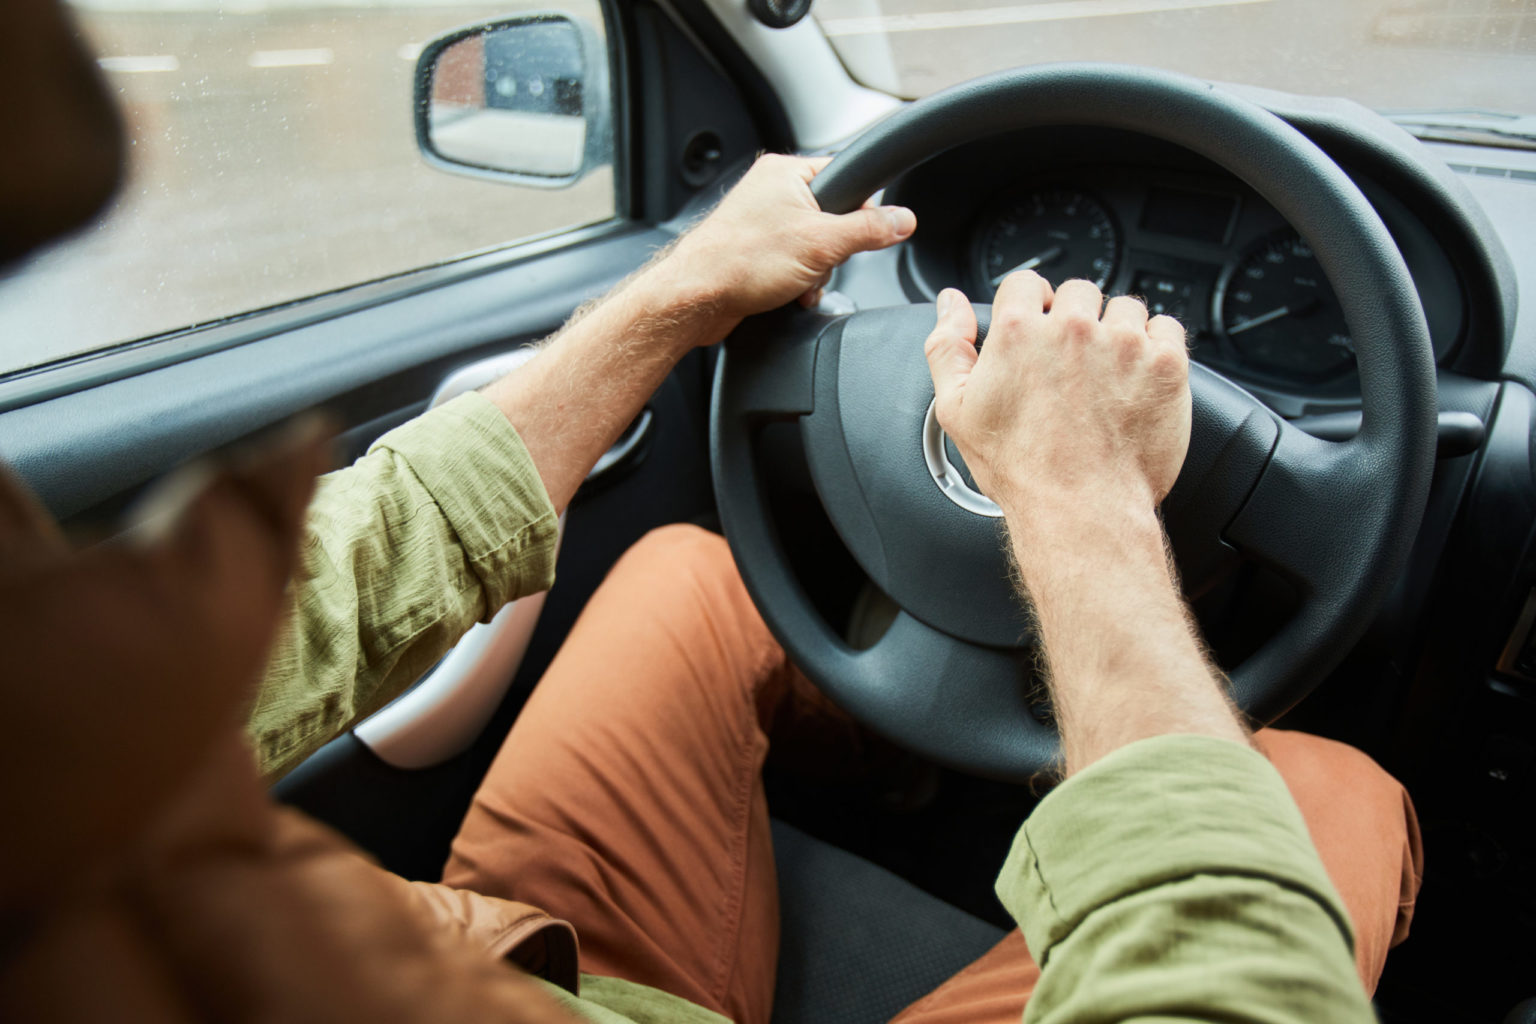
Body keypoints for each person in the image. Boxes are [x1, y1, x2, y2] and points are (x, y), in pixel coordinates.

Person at [0, 2, 1421, 1021]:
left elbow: (306, 601)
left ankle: (949, 767)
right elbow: (1227, 988)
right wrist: (1068, 485)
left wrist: (678, 294)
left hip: (490, 963)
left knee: (690, 575)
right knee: (1327, 797)